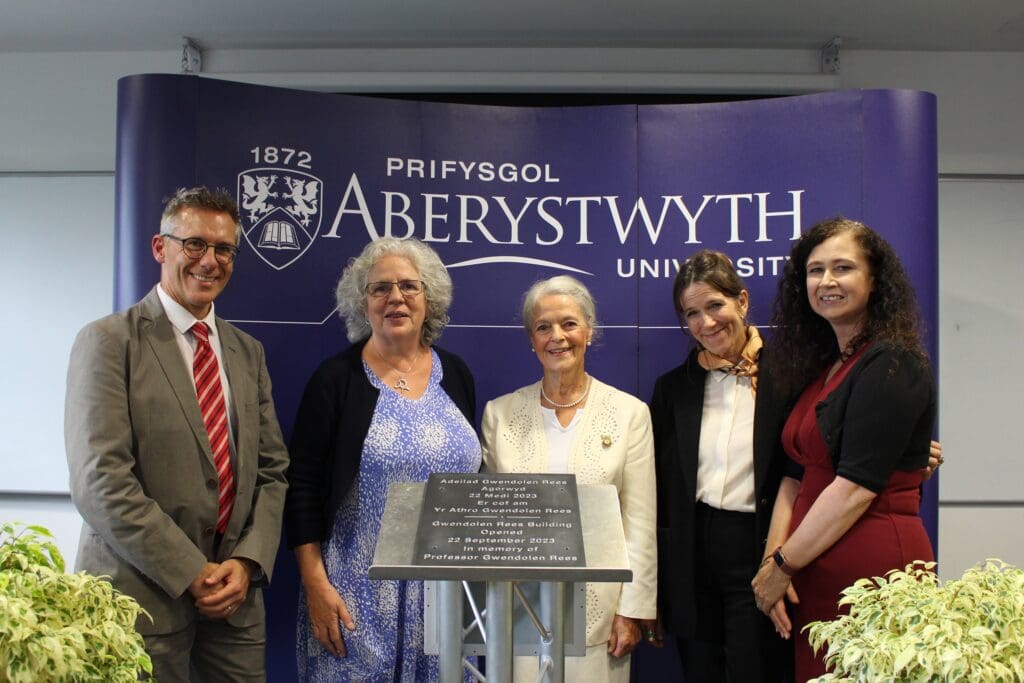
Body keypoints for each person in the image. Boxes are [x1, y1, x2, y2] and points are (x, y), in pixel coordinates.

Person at [65, 186, 290, 682]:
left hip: (236, 605)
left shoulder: (247, 352)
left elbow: (273, 473)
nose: (210, 261)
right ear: (159, 247)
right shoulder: (107, 342)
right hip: (139, 601)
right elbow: (101, 482)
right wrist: (192, 571)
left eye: (224, 249)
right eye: (194, 244)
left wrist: (248, 562)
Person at [285, 237, 480, 681]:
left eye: (409, 286)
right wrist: (316, 586)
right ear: (363, 303)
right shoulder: (336, 379)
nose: (396, 297)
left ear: (428, 300)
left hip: (446, 602)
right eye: (380, 288)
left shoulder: (458, 375)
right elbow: (302, 489)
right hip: (354, 599)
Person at [751, 218, 937, 681]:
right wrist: (774, 564)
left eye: (843, 268)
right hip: (809, 564)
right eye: (815, 271)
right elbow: (794, 473)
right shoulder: (826, 367)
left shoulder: (893, 361)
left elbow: (855, 487)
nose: (827, 282)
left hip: (873, 573)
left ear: (874, 281)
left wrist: (783, 563)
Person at [481, 275, 657, 683]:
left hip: (601, 613)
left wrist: (633, 608)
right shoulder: (499, 414)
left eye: (569, 324)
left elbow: (640, 522)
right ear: (531, 338)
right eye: (544, 327)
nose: (557, 337)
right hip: (517, 609)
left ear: (589, 331)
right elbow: (487, 523)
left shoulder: (630, 414)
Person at [650, 250, 791, 682]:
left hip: (759, 546)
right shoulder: (675, 388)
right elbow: (658, 488)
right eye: (691, 313)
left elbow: (821, 454)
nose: (706, 323)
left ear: (742, 302)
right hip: (692, 555)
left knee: (755, 671)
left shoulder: (788, 375)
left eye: (715, 305)